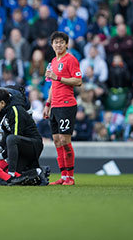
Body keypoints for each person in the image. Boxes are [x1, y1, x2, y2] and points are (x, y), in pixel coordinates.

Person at [43, 31, 82, 186]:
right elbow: (53, 85)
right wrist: (47, 104)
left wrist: (58, 77)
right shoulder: (52, 61)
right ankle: (64, 176)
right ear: (52, 45)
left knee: (65, 140)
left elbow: (78, 81)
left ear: (66, 44)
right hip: (55, 106)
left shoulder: (71, 60)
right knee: (57, 141)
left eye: (61, 42)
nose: (58, 45)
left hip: (67, 105)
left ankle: (70, 177)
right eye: (55, 42)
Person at [0, 88, 49, 186]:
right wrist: (0, 147)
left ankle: (11, 176)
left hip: (33, 144)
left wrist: (3, 155)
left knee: (12, 139)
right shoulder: (2, 113)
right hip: (22, 144)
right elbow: (7, 133)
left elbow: (15, 136)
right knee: (21, 176)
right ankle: (39, 171)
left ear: (2, 103)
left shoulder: (15, 111)